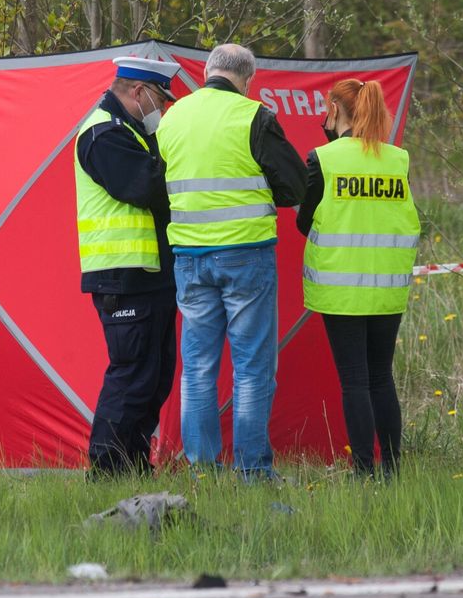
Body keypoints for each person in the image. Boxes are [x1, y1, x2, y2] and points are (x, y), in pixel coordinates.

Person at [156, 43, 307, 480]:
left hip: (188, 258)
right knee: (252, 369)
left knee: (198, 368)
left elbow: (159, 181)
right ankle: (253, 472)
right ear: (248, 79)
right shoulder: (253, 116)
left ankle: (203, 470)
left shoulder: (173, 117)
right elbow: (295, 185)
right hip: (245, 256)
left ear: (207, 72)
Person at [296, 79, 420, 479]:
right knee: (382, 377)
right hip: (386, 289)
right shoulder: (397, 159)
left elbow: (304, 221)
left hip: (341, 291)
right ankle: (393, 468)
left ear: (333, 110)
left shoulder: (324, 159)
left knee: (355, 381)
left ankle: (364, 471)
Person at [74, 56, 182, 477]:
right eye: (159, 99)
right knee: (132, 375)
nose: (163, 109)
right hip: (123, 275)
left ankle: (134, 465)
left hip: (149, 275)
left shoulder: (132, 132)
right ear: (137, 92)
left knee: (155, 378)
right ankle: (106, 469)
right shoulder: (103, 134)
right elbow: (147, 187)